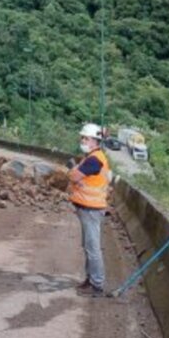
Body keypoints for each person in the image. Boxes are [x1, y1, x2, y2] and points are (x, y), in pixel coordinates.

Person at [67, 122, 111, 297]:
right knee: (88, 246)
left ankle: (97, 284)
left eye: (86, 138)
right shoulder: (92, 156)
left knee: (93, 248)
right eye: (83, 137)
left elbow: (75, 176)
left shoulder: (94, 159)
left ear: (95, 141)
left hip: (92, 209)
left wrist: (72, 170)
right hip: (87, 208)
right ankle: (90, 279)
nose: (83, 140)